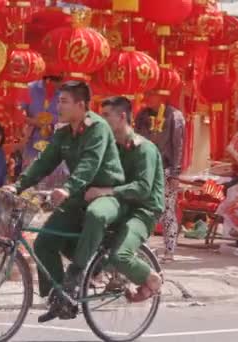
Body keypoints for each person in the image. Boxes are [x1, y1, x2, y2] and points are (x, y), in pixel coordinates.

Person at [5, 81, 126, 322]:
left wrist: (68, 188)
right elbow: (44, 162)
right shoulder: (62, 133)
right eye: (57, 101)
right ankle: (61, 299)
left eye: (63, 101)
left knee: (96, 216)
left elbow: (89, 164)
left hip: (106, 193)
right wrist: (18, 185)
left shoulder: (98, 128)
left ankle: (81, 272)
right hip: (78, 196)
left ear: (81, 105)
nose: (57, 106)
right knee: (43, 244)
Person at [86, 96, 165, 302]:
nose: (102, 121)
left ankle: (150, 278)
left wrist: (106, 191)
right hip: (122, 206)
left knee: (120, 255)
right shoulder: (114, 149)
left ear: (122, 117)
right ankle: (108, 276)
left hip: (143, 211)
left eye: (106, 116)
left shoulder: (144, 149)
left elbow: (142, 188)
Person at [135, 92, 185, 263]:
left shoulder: (174, 116)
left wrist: (175, 173)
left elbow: (177, 146)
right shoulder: (142, 115)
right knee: (144, 208)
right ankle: (144, 247)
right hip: (146, 168)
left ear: (162, 95)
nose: (147, 97)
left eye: (152, 94)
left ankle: (169, 250)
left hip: (166, 169)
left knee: (167, 209)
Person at [20, 75, 69, 189]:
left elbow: (74, 118)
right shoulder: (30, 88)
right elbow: (17, 113)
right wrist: (33, 121)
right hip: (32, 147)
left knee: (53, 193)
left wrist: (56, 122)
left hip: (57, 151)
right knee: (30, 189)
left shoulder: (67, 93)